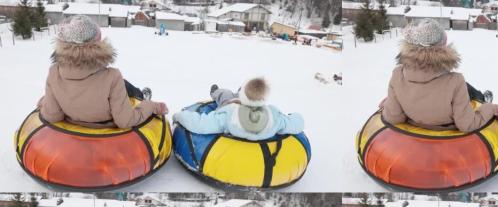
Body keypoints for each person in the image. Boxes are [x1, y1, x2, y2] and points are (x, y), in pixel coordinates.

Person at [38, 15, 167, 129]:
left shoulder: (54, 73)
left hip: (72, 133)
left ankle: (140, 94)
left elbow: (52, 115)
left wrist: (46, 101)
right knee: (123, 85)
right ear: (97, 45)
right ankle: (143, 98)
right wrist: (151, 106)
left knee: (123, 84)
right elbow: (125, 120)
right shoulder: (112, 76)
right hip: (106, 135)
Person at [380, 19, 498, 132]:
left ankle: (481, 96)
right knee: (464, 87)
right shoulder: (456, 81)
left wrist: (389, 104)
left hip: (413, 132)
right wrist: (492, 109)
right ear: (442, 48)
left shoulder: (397, 75)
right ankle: (484, 99)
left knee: (463, 87)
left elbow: (393, 117)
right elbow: (467, 124)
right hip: (444, 136)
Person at [173, 77, 304, 141]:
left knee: (225, 94)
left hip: (230, 104)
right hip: (244, 102)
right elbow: (297, 123)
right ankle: (241, 91)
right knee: (235, 94)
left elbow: (201, 124)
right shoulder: (274, 117)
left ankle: (216, 92)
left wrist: (179, 116)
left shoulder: (230, 115)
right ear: (264, 99)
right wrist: (295, 115)